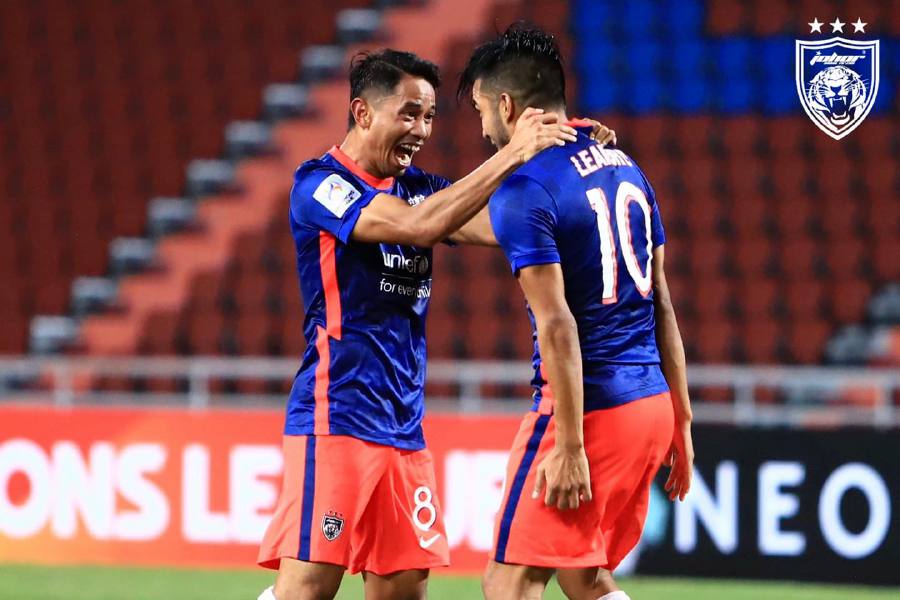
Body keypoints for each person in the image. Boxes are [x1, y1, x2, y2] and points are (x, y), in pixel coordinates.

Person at [255, 48, 589, 600]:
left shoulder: (420, 188)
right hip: (336, 415)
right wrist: (510, 157)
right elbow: (415, 227)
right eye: (409, 114)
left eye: (429, 116)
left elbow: (504, 224)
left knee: (404, 589)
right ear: (363, 114)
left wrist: (572, 154)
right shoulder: (321, 185)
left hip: (404, 429)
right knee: (308, 587)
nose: (421, 130)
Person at [458, 25, 694, 600]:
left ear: (508, 106)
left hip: (590, 413)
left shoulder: (525, 190)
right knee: (584, 576)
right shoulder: (626, 166)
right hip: (650, 407)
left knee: (509, 581)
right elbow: (661, 301)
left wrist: (567, 446)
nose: (484, 126)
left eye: (482, 110)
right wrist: (682, 422)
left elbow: (558, 322)